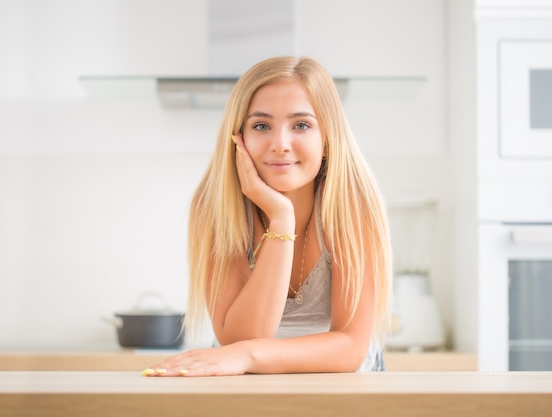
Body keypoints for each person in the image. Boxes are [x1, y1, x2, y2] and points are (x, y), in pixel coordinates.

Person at [144, 56, 392, 376]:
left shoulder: (351, 204)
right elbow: (238, 339)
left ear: (327, 139)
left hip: (342, 380)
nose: (280, 145)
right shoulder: (214, 206)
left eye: (301, 125)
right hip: (251, 377)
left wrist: (249, 355)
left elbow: (349, 348)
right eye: (261, 125)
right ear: (239, 137)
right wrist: (281, 219)